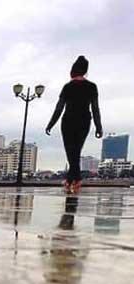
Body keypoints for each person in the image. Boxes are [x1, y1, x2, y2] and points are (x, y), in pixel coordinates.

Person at [46, 55, 103, 195]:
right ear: (85, 71)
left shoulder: (68, 87)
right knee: (76, 151)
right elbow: (95, 108)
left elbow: (59, 108)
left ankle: (75, 179)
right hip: (84, 121)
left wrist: (51, 124)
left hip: (68, 121)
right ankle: (71, 180)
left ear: (73, 69)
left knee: (72, 153)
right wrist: (98, 126)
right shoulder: (92, 87)